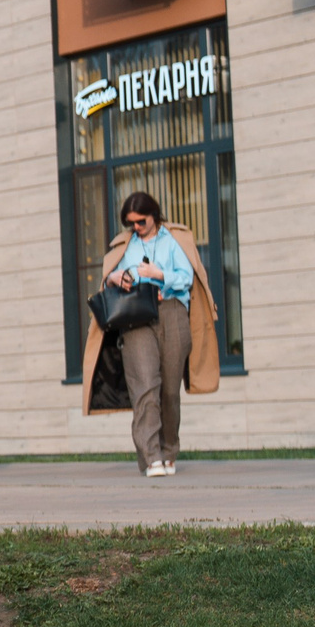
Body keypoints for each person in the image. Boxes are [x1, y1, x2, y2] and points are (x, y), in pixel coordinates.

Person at [87, 192, 218, 476]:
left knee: (169, 390)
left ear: (154, 215)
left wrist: (160, 274)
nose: (136, 227)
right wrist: (113, 277)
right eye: (130, 222)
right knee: (145, 385)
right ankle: (152, 456)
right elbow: (111, 275)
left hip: (172, 312)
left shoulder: (175, 240)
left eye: (141, 221)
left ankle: (169, 450)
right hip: (135, 316)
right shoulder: (125, 245)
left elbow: (186, 277)